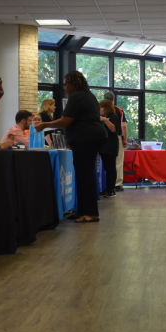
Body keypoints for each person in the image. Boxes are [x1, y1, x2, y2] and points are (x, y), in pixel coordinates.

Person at [35, 72, 106, 223]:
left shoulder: (77, 97)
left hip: (86, 139)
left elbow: (66, 121)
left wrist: (45, 124)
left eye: (66, 83)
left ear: (74, 83)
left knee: (85, 175)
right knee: (82, 174)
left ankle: (92, 213)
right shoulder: (89, 95)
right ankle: (81, 210)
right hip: (92, 137)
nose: (65, 87)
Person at [103, 91, 127, 192]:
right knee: (117, 161)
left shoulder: (101, 109)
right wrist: (124, 139)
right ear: (113, 100)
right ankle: (117, 183)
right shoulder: (119, 110)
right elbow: (123, 126)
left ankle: (105, 184)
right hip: (115, 138)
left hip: (103, 138)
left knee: (105, 164)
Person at [98, 99, 121, 199]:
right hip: (104, 146)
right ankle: (108, 188)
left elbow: (114, 129)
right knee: (107, 168)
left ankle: (111, 189)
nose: (99, 109)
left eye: (101, 107)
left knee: (111, 168)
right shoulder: (104, 117)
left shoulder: (113, 117)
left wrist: (105, 120)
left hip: (111, 146)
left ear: (106, 108)